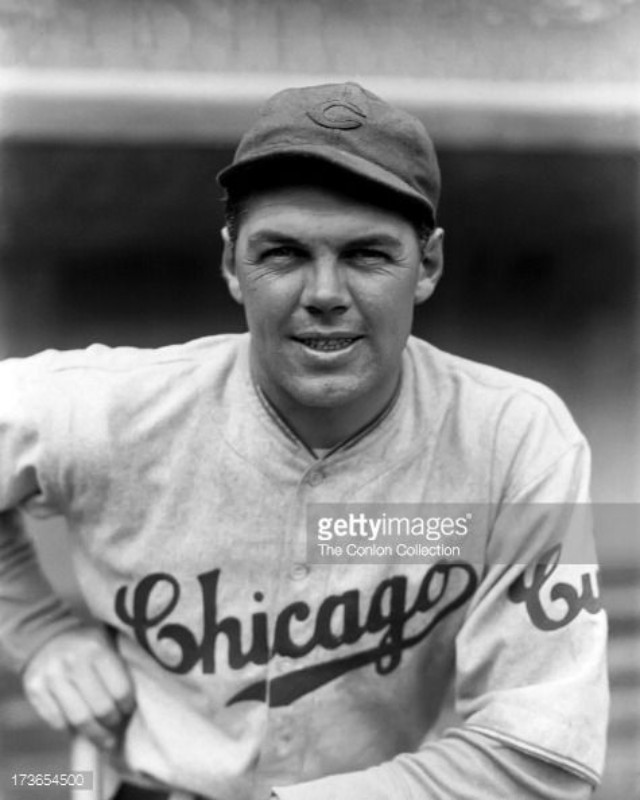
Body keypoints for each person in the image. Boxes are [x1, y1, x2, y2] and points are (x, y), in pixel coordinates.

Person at [0, 82, 608, 800]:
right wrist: (37, 632)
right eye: (284, 253)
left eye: (367, 255)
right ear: (232, 264)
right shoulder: (113, 408)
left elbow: (542, 756)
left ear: (428, 266)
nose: (324, 293)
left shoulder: (518, 440)